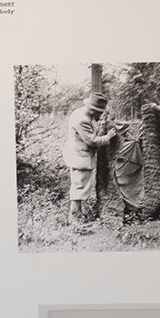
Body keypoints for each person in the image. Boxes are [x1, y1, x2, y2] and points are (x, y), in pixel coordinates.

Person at [61, 92, 117, 224]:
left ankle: (78, 213)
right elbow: (92, 141)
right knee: (79, 186)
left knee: (81, 185)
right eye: (99, 112)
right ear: (92, 109)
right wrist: (108, 137)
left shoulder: (84, 114)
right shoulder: (82, 120)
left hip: (80, 154)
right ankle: (74, 216)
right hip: (79, 156)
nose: (100, 115)